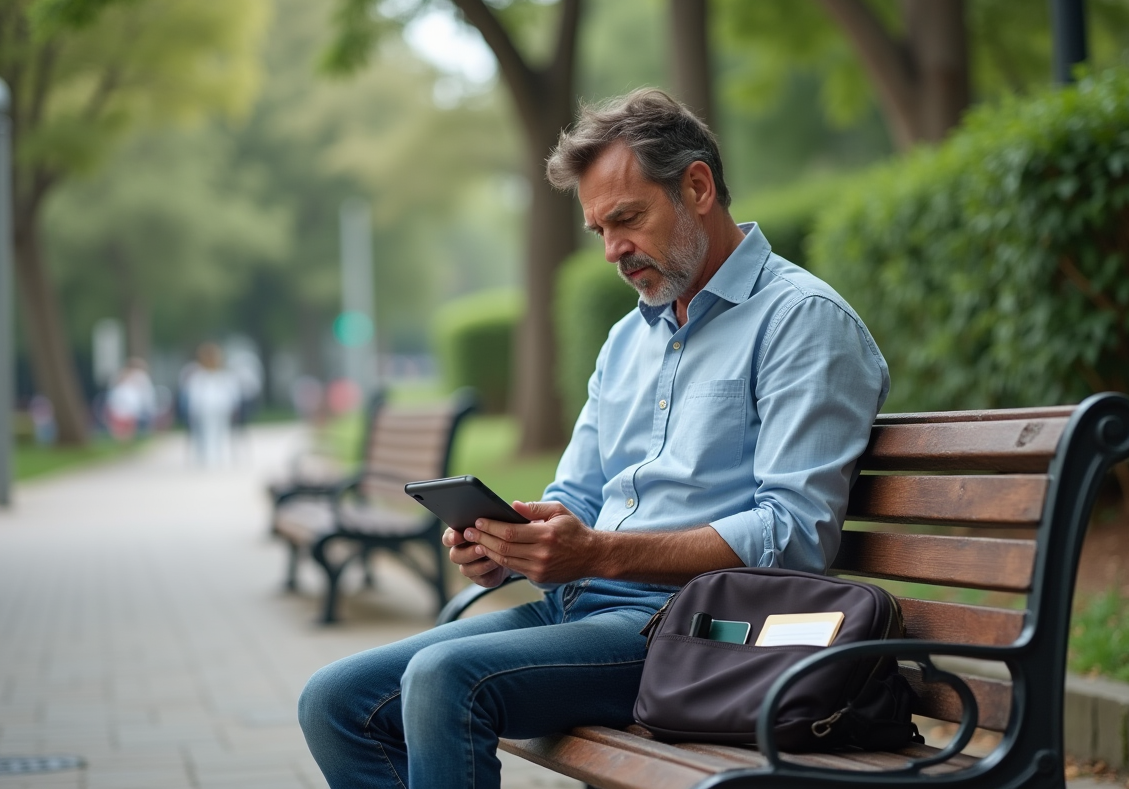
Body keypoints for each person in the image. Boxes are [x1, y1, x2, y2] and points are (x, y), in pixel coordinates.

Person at [298, 89, 890, 789]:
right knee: (335, 701)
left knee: (442, 679)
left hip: (702, 630)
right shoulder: (625, 339)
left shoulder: (801, 321)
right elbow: (575, 495)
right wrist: (510, 546)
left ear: (696, 187)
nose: (613, 251)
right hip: (582, 607)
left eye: (628, 219)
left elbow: (796, 536)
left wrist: (600, 551)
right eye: (599, 231)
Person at [183, 342, 241, 466]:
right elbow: (194, 395)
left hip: (221, 407)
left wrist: (233, 406)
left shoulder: (224, 375)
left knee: (220, 431)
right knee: (204, 432)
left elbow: (231, 392)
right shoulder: (198, 376)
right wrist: (193, 410)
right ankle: (206, 457)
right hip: (204, 409)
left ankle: (217, 455)